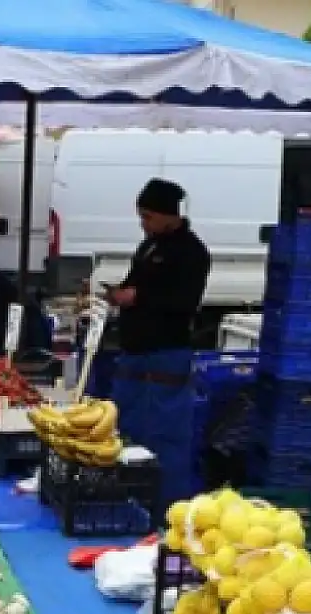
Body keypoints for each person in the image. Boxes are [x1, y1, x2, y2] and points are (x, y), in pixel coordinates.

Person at [102, 178, 212, 508]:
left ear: (169, 215)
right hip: (134, 355)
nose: (143, 224)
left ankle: (167, 507)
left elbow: (184, 302)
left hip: (166, 355)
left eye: (148, 217)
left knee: (167, 436)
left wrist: (138, 297)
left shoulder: (193, 253)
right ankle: (127, 496)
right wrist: (116, 294)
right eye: (141, 217)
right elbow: (133, 283)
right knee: (126, 428)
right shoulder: (148, 246)